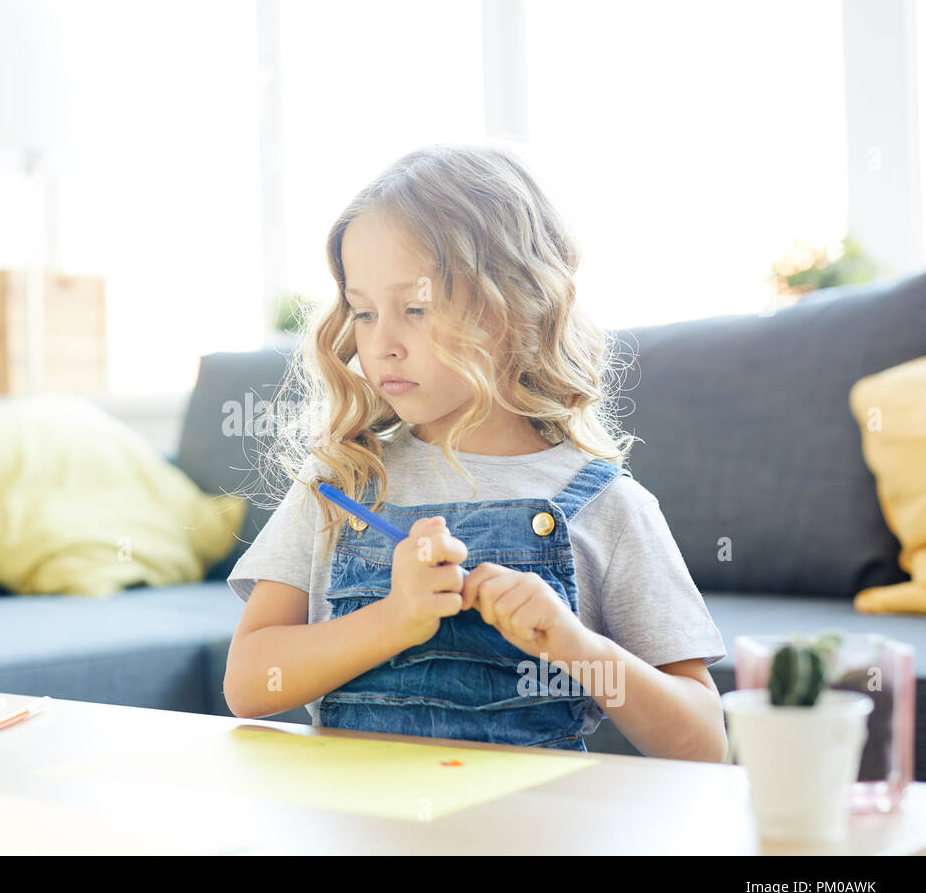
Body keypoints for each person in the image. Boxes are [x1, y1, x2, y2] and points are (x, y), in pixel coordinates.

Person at [223, 142, 727, 761]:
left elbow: (703, 745)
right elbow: (248, 683)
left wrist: (572, 644)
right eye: (363, 312)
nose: (381, 344)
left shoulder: (608, 506)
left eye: (415, 308)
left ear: (516, 307)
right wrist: (392, 621)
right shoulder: (343, 482)